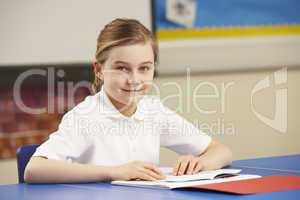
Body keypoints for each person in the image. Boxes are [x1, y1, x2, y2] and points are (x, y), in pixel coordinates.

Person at [24, 18, 232, 183]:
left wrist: (200, 163)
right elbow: (34, 170)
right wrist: (114, 172)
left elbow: (221, 151)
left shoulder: (153, 111)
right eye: (122, 68)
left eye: (144, 68)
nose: (134, 79)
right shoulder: (85, 116)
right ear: (99, 70)